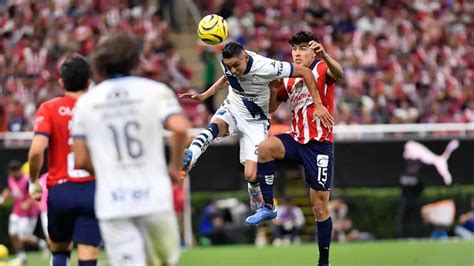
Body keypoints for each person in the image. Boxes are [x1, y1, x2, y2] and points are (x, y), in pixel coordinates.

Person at [71, 31, 189, 266]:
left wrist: (106, 173)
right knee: (165, 262)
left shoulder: (86, 103)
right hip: (154, 196)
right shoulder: (154, 91)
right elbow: (180, 129)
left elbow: (81, 160)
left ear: (99, 65)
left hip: (113, 202)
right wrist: (174, 167)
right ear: (136, 60)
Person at [179, 41, 333, 211]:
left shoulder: (267, 67)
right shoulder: (228, 63)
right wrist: (204, 95)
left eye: (236, 65)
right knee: (213, 128)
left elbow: (304, 72)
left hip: (256, 120)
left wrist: (318, 104)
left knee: (250, 174)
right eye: (229, 66)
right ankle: (191, 155)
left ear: (246, 57)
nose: (234, 70)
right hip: (234, 108)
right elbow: (226, 77)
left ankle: (254, 189)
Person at [245, 31, 344, 266]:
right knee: (266, 148)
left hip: (319, 145)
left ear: (313, 51)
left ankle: (324, 261)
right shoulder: (288, 75)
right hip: (296, 139)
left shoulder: (321, 67)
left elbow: (339, 74)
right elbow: (270, 108)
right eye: (295, 49)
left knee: (320, 207)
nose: (297, 54)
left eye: (302, 49)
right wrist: (272, 88)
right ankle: (268, 206)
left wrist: (326, 55)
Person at [28, 54, 102, 266]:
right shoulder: (97, 108)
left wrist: (34, 182)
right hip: (91, 188)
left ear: (61, 82)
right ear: (89, 82)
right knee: (88, 252)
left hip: (61, 191)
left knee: (59, 249)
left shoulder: (49, 109)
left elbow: (36, 151)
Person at [0, 160, 47, 265]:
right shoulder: (10, 179)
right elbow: (11, 190)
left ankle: (41, 243)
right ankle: (22, 256)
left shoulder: (27, 181)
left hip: (29, 214)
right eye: (12, 171)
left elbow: (36, 195)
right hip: (16, 211)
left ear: (20, 170)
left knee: (23, 236)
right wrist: (4, 196)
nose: (14, 173)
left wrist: (28, 203)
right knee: (12, 234)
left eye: (16, 170)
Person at [397, 159, 424, 238]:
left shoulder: (418, 177)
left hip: (415, 201)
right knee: (403, 220)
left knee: (416, 220)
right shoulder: (404, 176)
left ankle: (417, 236)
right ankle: (401, 236)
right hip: (406, 201)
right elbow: (402, 188)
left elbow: (421, 188)